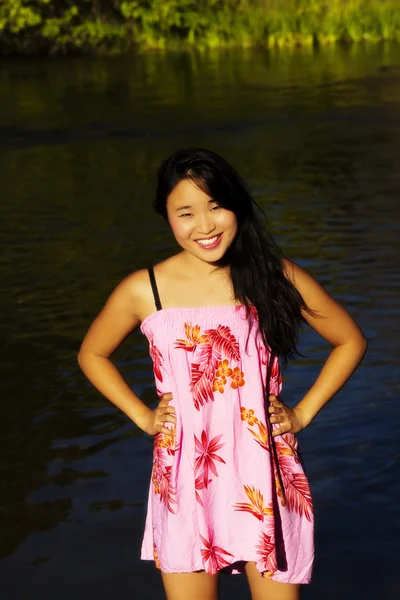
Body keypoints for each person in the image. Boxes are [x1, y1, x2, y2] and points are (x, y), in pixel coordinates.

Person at [78, 148, 367, 600]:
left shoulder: (275, 275)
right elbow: (92, 354)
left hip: (265, 467)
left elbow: (349, 340)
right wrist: (143, 417)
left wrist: (304, 414)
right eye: (187, 212)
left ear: (237, 206)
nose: (206, 225)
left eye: (217, 206)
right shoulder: (143, 288)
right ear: (166, 216)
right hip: (186, 471)